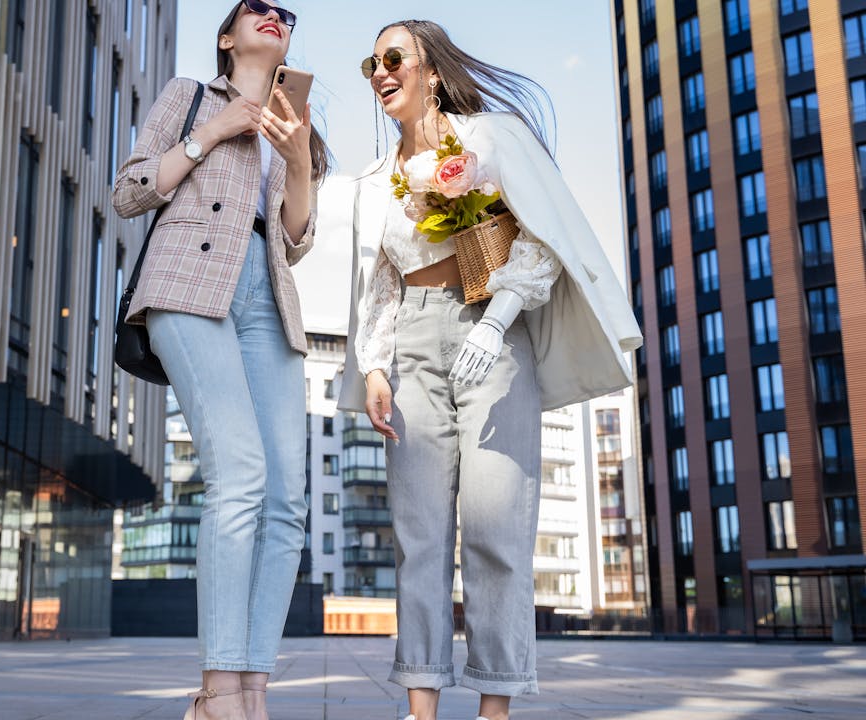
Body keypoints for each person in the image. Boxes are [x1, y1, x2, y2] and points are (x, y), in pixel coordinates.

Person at [337, 19, 643, 720]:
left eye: (393, 59)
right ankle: (419, 709)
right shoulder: (376, 180)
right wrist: (376, 367)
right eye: (370, 64)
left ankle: (494, 711)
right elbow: (380, 281)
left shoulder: (492, 139)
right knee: (418, 537)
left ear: (432, 72)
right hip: (410, 345)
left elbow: (541, 241)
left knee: (494, 530)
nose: (380, 73)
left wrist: (499, 321)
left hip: (491, 338)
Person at [112, 2, 330, 719]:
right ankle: (216, 689)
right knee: (239, 472)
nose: (274, 16)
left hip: (268, 298)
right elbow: (129, 192)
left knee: (287, 504)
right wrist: (214, 133)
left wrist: (297, 161)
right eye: (256, 8)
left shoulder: (296, 124)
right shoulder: (188, 97)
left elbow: (295, 237)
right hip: (188, 283)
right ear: (228, 36)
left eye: (284, 13)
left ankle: (251, 693)